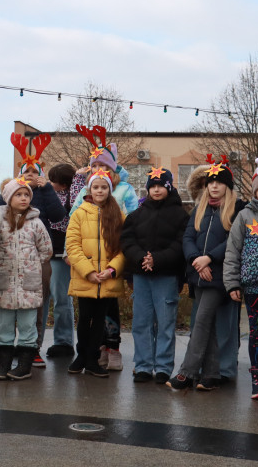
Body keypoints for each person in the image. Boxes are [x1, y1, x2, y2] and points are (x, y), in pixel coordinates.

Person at [171, 158, 243, 391]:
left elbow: (233, 240)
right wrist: (197, 260)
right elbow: (188, 237)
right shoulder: (200, 209)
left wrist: (209, 258)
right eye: (210, 182)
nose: (214, 186)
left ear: (227, 186)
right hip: (199, 275)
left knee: (201, 323)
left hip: (220, 276)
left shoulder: (236, 209)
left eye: (219, 182)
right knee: (208, 326)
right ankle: (211, 374)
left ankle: (187, 372)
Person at [0, 134, 66, 367]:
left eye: (35, 172)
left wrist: (46, 189)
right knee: (6, 305)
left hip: (37, 260)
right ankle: (4, 349)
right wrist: (14, 186)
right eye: (26, 171)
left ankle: (33, 347)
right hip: (8, 260)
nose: (30, 175)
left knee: (37, 304)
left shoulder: (44, 192)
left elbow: (58, 216)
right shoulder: (13, 192)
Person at [121, 166, 188, 383]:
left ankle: (163, 368)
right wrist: (142, 258)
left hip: (166, 276)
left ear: (169, 187)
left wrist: (157, 259)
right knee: (141, 323)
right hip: (141, 276)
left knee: (165, 324)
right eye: (153, 186)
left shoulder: (180, 215)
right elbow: (127, 242)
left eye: (161, 186)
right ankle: (143, 366)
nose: (157, 190)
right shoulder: (136, 215)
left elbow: (180, 244)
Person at [224, 159, 258, 399]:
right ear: (255, 192)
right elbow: (232, 251)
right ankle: (257, 378)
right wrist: (232, 283)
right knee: (257, 332)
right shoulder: (244, 215)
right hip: (254, 286)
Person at [0, 177, 53, 381]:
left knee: (27, 326)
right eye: (18, 194)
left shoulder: (35, 222)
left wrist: (32, 265)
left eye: (26, 194)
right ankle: (4, 365)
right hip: (5, 283)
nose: (24, 198)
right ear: (8, 198)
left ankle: (24, 366)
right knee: (4, 326)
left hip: (29, 284)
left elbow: (46, 249)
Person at [66, 170, 125, 378]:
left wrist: (111, 270)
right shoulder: (79, 214)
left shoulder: (118, 215)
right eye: (96, 187)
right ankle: (81, 356)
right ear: (89, 189)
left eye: (104, 187)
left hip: (107, 278)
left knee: (100, 321)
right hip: (86, 278)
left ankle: (93, 359)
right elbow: (73, 246)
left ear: (110, 189)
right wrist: (88, 271)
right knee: (84, 318)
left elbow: (123, 248)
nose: (100, 191)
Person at [43, 163, 76, 358]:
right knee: (39, 301)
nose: (50, 183)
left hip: (60, 254)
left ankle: (64, 341)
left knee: (62, 299)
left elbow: (66, 222)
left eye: (53, 181)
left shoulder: (73, 197)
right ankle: (31, 343)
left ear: (64, 184)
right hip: (41, 253)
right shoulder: (46, 193)